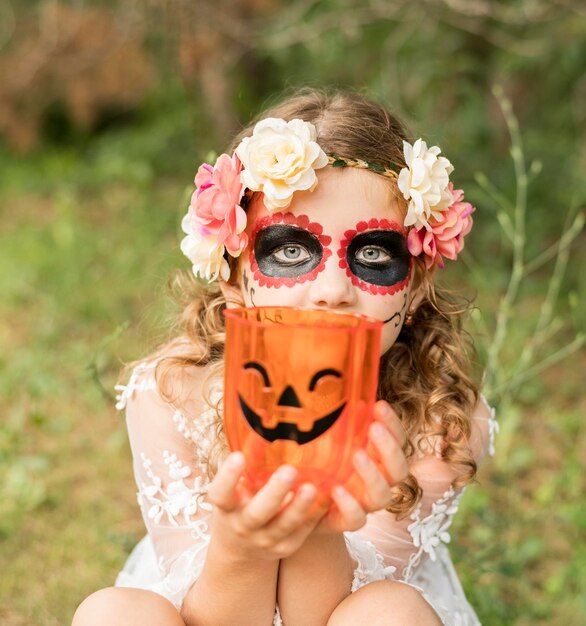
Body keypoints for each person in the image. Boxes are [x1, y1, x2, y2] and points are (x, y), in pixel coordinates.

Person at [72, 88, 498, 626]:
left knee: (389, 612)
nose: (332, 291)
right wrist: (240, 546)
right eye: (291, 251)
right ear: (233, 278)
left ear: (413, 287)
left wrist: (320, 521)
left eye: (371, 253)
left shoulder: (442, 420)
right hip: (216, 605)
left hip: (343, 611)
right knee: (114, 614)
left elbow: (327, 618)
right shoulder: (170, 392)